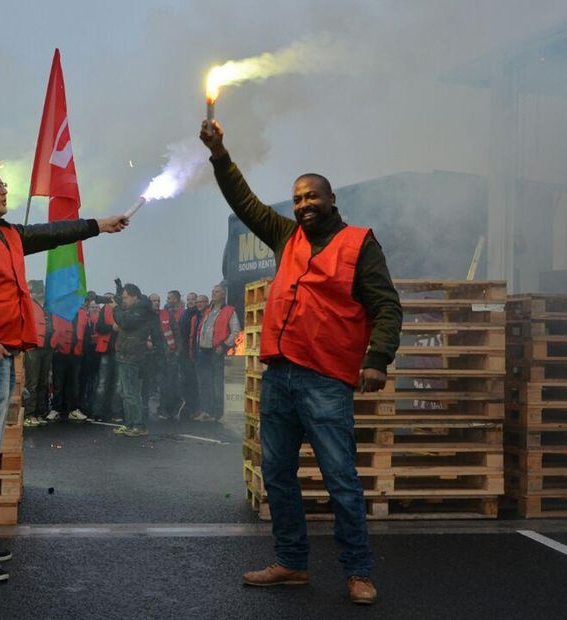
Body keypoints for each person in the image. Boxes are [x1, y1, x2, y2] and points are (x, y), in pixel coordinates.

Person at [201, 118, 402, 605]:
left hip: (326, 380)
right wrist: (220, 153)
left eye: (312, 196)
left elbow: (387, 306)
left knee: (340, 479)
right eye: (297, 198)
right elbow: (244, 201)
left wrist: (377, 359)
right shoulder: (284, 236)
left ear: (332, 200)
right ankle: (291, 563)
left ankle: (358, 572)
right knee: (277, 475)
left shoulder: (359, 245)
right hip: (280, 377)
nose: (303, 204)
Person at [0, 163, 128, 582]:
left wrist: (99, 225)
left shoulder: (8, 235)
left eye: (3, 183)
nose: (3, 190)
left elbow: (52, 233)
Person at [111, 282, 163, 437]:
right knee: (127, 394)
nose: (123, 300)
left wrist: (115, 307)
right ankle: (130, 424)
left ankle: (139, 426)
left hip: (132, 356)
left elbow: (125, 322)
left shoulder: (142, 310)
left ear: (135, 297)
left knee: (131, 393)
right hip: (125, 354)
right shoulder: (136, 309)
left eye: (126, 297)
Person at [192, 282, 240, 423]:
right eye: (213, 291)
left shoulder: (230, 311)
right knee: (205, 383)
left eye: (217, 291)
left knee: (218, 384)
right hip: (203, 352)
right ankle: (207, 411)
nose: (213, 293)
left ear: (223, 295)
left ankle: (220, 413)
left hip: (216, 353)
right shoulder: (208, 311)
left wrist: (224, 346)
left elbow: (236, 331)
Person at [47, 298, 87, 422]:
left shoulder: (82, 313)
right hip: (60, 352)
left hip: (76, 353)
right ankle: (56, 409)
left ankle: (73, 410)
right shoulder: (59, 311)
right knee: (58, 383)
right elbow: (52, 329)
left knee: (74, 383)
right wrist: (54, 346)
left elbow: (86, 332)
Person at [22, 281, 51, 427]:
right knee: (32, 382)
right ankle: (28, 414)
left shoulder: (46, 307)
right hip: (33, 348)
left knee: (42, 382)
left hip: (46, 348)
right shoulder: (27, 305)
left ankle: (40, 413)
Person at [157, 290, 186, 420]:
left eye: (169, 298)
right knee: (163, 383)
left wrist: (177, 352)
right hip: (159, 355)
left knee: (170, 382)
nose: (166, 301)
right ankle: (164, 408)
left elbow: (177, 333)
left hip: (170, 354)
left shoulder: (170, 314)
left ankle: (171, 407)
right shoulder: (160, 314)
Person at [93, 290, 120, 422]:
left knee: (117, 384)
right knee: (103, 383)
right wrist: (112, 327)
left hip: (119, 351)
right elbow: (99, 327)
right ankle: (98, 411)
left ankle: (115, 412)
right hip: (107, 351)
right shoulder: (104, 310)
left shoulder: (122, 309)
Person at [180, 294, 207, 420]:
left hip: (197, 352)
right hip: (186, 353)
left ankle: (197, 408)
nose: (191, 302)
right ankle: (190, 407)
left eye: (193, 300)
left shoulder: (199, 315)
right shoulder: (186, 315)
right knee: (188, 381)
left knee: (197, 382)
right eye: (189, 300)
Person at [76, 292, 101, 416]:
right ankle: (82, 404)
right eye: (93, 307)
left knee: (95, 382)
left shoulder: (100, 321)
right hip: (85, 356)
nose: (95, 309)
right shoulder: (85, 321)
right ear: (88, 309)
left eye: (97, 307)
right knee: (84, 381)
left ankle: (92, 405)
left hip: (97, 356)